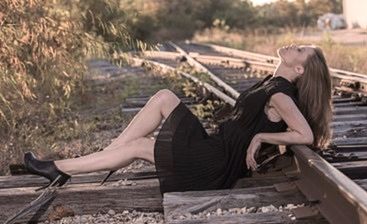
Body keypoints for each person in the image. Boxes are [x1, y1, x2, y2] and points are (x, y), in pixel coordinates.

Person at [24, 44, 332, 195]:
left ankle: (58, 169)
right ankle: (103, 156)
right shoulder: (271, 83)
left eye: (300, 49)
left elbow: (304, 135)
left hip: (214, 163)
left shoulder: (282, 94)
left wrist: (261, 137)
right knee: (163, 97)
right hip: (213, 146)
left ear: (300, 69)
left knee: (140, 147)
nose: (293, 44)